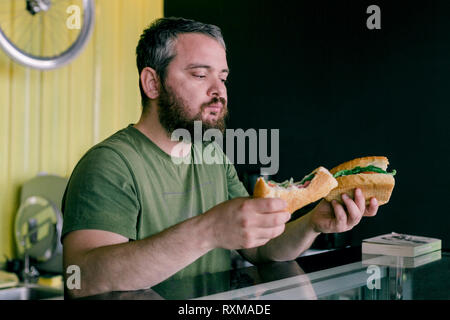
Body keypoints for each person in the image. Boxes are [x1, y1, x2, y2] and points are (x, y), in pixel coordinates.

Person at [61, 17, 379, 298]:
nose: (219, 91)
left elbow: (260, 248)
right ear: (152, 83)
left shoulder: (211, 154)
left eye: (223, 77)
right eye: (201, 75)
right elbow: (83, 280)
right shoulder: (109, 164)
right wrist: (208, 230)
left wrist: (313, 223)